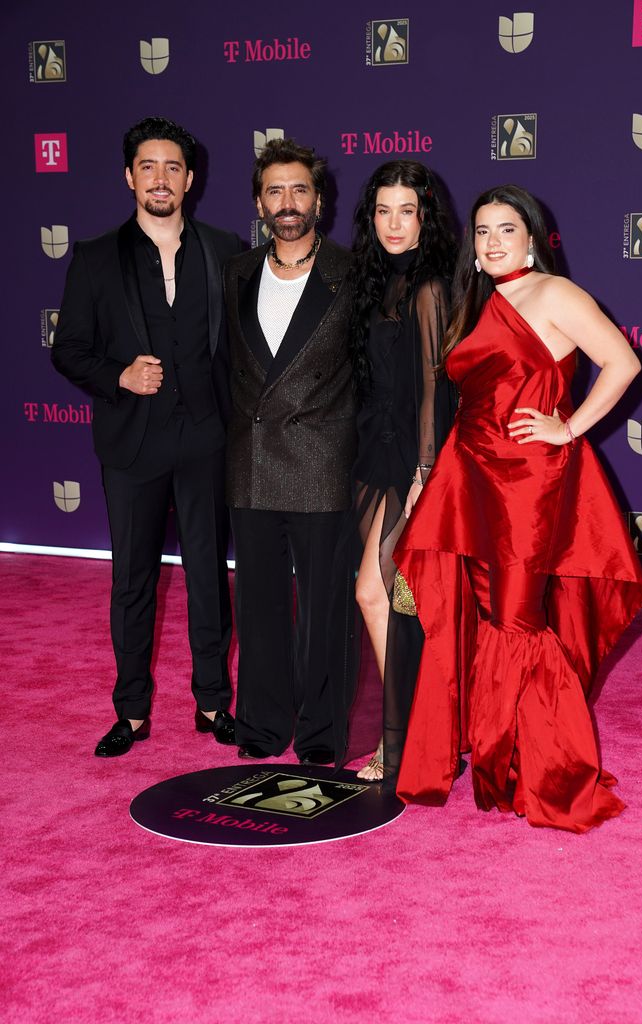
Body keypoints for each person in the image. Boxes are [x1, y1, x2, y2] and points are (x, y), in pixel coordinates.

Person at [394, 184, 642, 832]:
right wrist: (432, 477)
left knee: (515, 623)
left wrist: (570, 427)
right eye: (482, 232)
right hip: (471, 477)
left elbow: (622, 363)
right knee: (478, 617)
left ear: (532, 238)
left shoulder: (555, 295)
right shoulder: (476, 302)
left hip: (528, 487)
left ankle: (547, 772)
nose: (492, 241)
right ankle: (499, 755)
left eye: (506, 229)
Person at [52, 117, 241, 756]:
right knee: (132, 579)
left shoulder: (225, 250)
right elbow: (69, 349)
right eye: (148, 167)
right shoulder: (97, 256)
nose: (161, 179)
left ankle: (213, 702)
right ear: (129, 176)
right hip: (132, 445)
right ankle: (131, 711)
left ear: (191, 178)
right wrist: (120, 375)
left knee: (209, 574)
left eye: (173, 167)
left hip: (207, 438)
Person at [225, 138, 356, 765]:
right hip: (251, 463)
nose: (287, 202)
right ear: (258, 202)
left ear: (319, 201)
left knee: (325, 610)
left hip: (322, 463)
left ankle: (323, 733)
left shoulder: (352, 275)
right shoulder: (237, 273)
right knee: (259, 605)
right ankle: (262, 724)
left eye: (299, 189)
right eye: (275, 190)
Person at [347, 161, 457, 781]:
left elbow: (432, 389)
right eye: (383, 210)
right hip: (369, 455)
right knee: (397, 602)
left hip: (410, 462)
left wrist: (424, 472)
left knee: (374, 592)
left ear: (425, 217)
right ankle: (425, 726)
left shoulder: (430, 288)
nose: (393, 223)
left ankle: (407, 735)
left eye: (406, 210)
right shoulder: (371, 281)